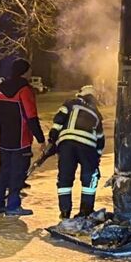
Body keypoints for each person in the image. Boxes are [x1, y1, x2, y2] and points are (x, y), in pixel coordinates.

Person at [0, 57, 45, 216]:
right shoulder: (25, 90)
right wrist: (40, 139)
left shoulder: (0, 88)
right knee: (18, 173)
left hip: (5, 139)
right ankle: (13, 206)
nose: (31, 73)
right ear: (24, 71)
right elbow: (31, 116)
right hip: (21, 140)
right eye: (29, 70)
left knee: (4, 171)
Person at [49, 84, 105, 220]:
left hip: (67, 145)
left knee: (65, 178)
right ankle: (86, 211)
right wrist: (96, 157)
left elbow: (58, 120)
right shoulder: (96, 113)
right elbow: (100, 139)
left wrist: (53, 139)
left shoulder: (70, 104)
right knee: (89, 178)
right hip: (88, 148)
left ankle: (65, 211)